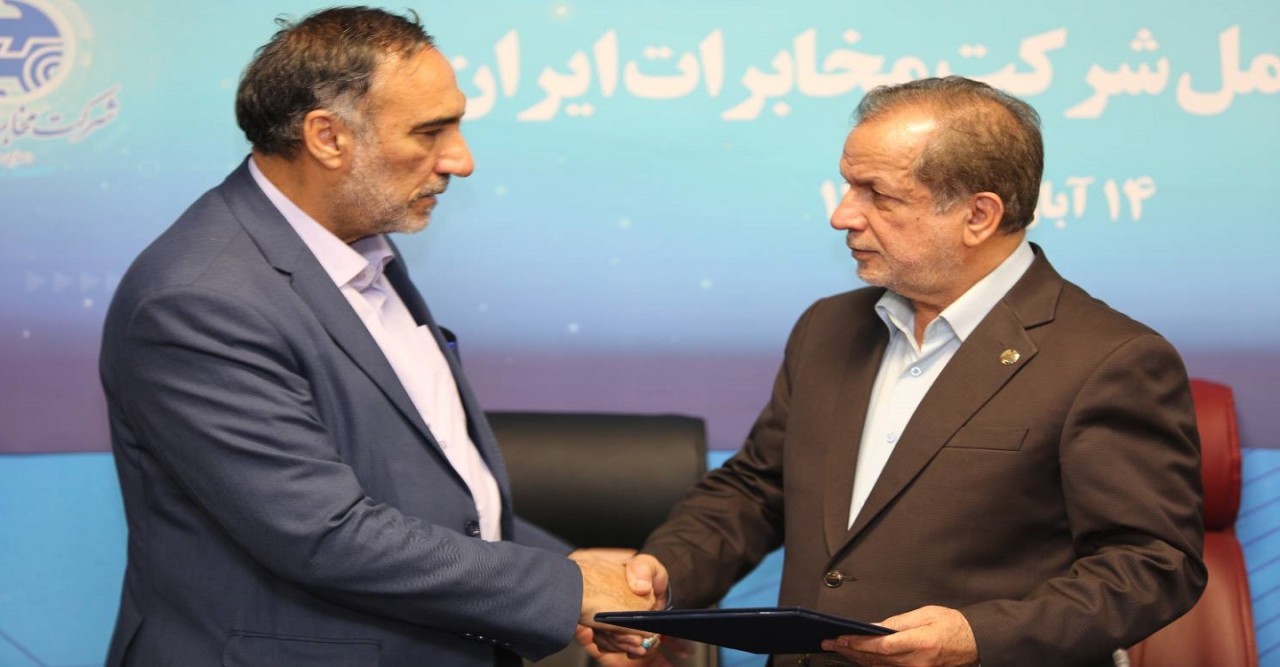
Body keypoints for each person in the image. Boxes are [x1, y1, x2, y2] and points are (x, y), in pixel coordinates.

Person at [98, 7, 654, 666]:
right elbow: (324, 533)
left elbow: (422, 490)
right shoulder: (198, 300)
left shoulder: (357, 243)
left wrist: (565, 564)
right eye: (430, 131)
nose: (461, 160)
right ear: (328, 137)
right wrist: (568, 587)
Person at [600, 76, 1206, 667]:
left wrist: (979, 637)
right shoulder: (828, 327)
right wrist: (666, 571)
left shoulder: (1108, 358)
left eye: (878, 194)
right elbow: (758, 489)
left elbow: (1153, 565)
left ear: (978, 215)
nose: (842, 215)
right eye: (848, 186)